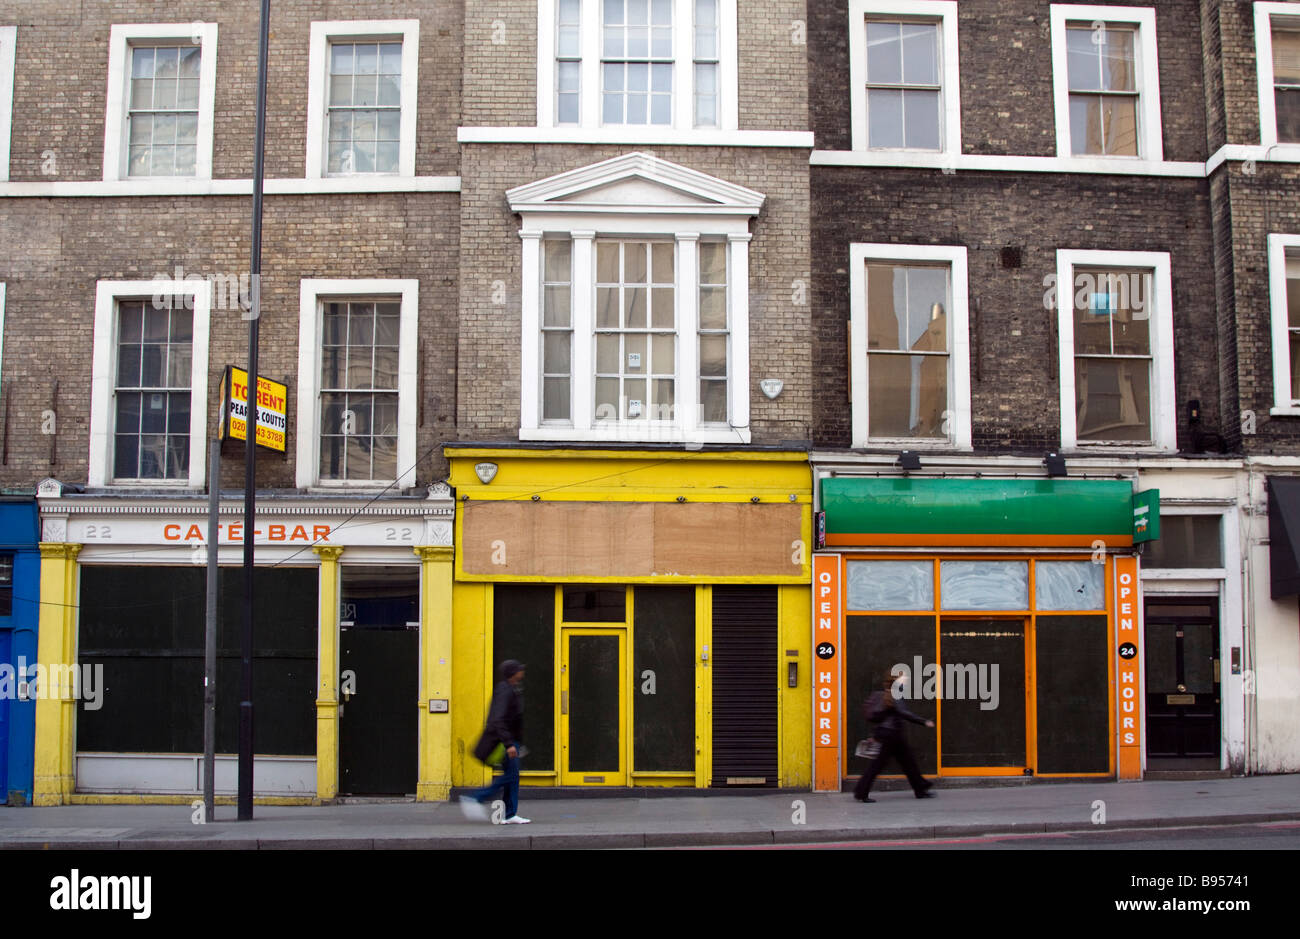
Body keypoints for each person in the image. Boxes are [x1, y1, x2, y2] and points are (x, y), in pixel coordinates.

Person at [461, 659, 529, 824]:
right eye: (520, 669)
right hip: (504, 742)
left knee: (512, 777)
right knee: (511, 776)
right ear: (514, 673)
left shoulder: (512, 689)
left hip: (511, 741)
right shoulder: (504, 690)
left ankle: (510, 814)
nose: (522, 672)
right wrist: (509, 744)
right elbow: (497, 719)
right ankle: (476, 798)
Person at [853, 670, 936, 803]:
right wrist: (924, 721)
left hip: (890, 734)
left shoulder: (887, 693)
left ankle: (921, 788)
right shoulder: (895, 693)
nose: (906, 681)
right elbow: (904, 713)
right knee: (879, 765)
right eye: (904, 679)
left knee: (907, 763)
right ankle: (861, 792)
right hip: (892, 735)